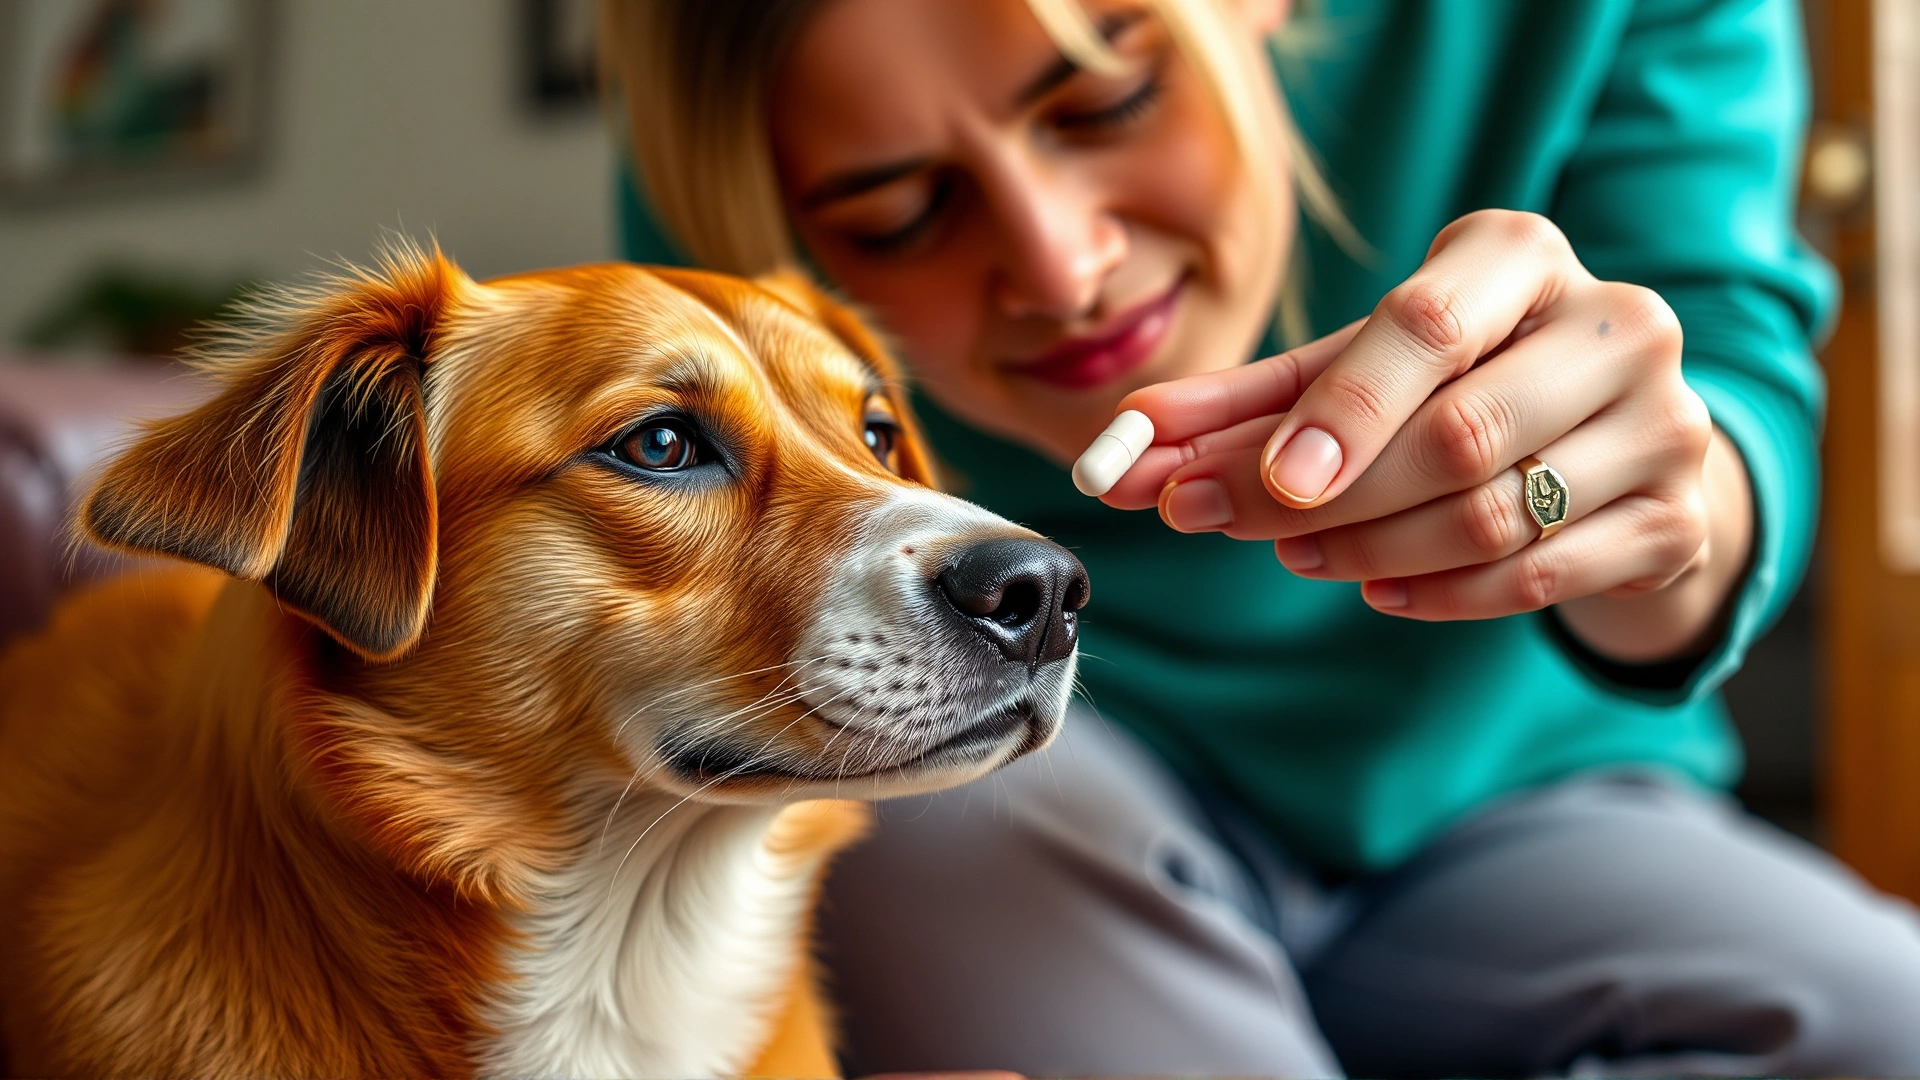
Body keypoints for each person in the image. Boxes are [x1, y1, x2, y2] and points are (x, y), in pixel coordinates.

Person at [600, 0, 1920, 1074]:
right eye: (902, 216)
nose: (1062, 271)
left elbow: (1737, 378)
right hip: (997, 790)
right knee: (907, 830)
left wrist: (1648, 506)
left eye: (1109, 98)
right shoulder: (717, 163)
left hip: (1526, 795)